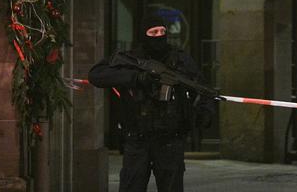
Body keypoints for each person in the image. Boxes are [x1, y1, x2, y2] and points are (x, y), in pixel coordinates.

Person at [89, 12, 216, 192]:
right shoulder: (131, 59)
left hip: (170, 140)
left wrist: (206, 112)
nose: (159, 36)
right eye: (153, 32)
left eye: (162, 31)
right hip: (137, 140)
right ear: (143, 35)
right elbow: (96, 75)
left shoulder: (179, 60)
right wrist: (136, 78)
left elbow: (202, 87)